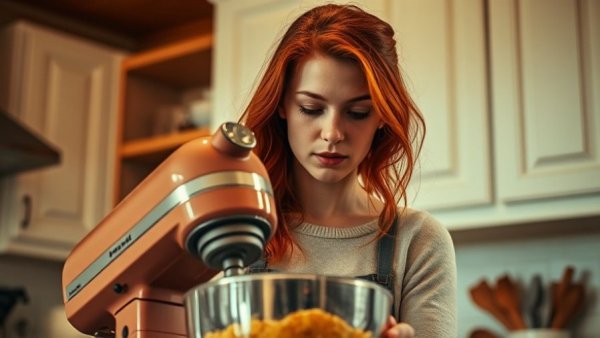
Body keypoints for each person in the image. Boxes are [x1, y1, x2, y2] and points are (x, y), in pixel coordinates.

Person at [239, 4, 457, 337]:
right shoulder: (234, 233)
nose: (332, 133)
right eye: (311, 108)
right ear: (282, 105)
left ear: (382, 115)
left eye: (357, 112)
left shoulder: (418, 241)